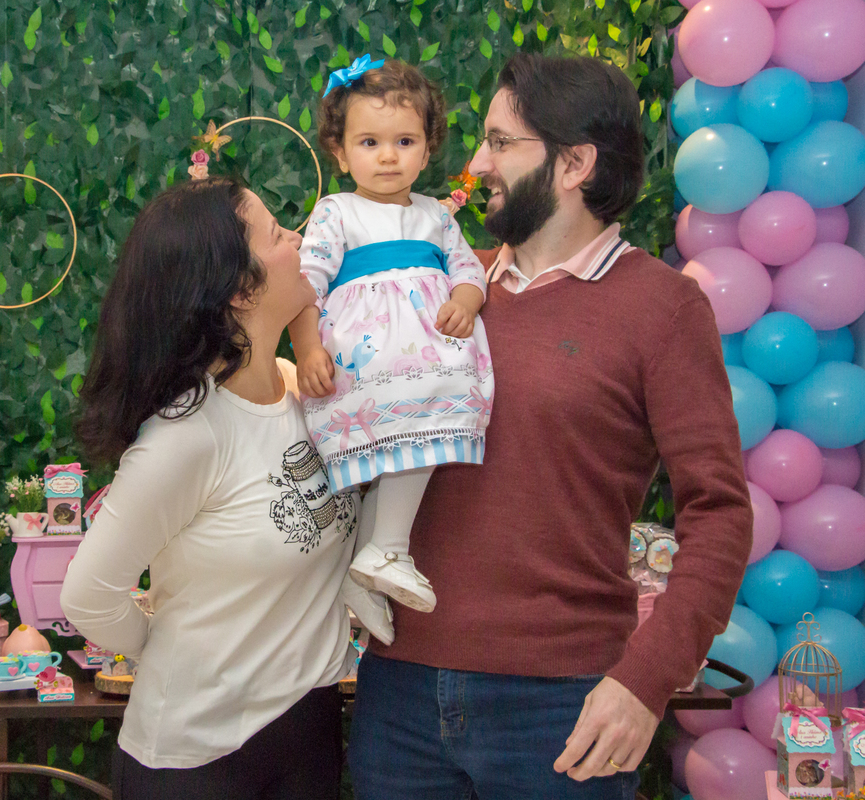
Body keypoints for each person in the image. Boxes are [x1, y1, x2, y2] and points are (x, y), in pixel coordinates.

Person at [348, 53, 753, 799]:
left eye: (501, 142)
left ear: (573, 164)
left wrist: (645, 681)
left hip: (562, 708)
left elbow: (720, 512)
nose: (476, 162)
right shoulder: (436, 288)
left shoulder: (663, 308)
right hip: (396, 696)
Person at [60, 177, 357, 800]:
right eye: (278, 234)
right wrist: (167, 648)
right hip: (196, 759)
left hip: (310, 731)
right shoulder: (187, 434)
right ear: (241, 286)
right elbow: (89, 596)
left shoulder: (303, 390)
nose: (300, 239)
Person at [289, 56, 493, 641]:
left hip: (429, 355)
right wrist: (306, 349)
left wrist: (466, 299)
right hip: (369, 360)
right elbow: (306, 287)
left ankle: (374, 558)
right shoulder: (337, 212)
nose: (387, 156)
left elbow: (468, 270)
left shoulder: (435, 216)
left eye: (404, 141)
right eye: (369, 141)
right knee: (394, 449)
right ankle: (384, 551)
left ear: (427, 151)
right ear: (340, 151)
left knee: (410, 444)